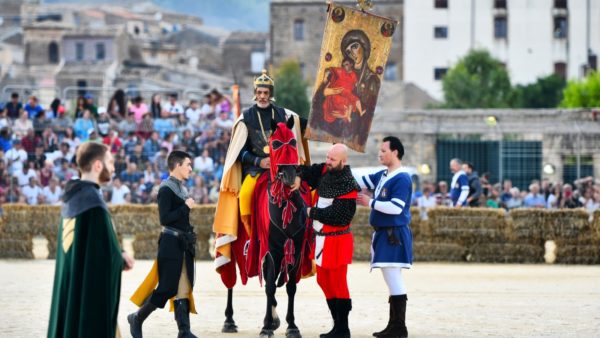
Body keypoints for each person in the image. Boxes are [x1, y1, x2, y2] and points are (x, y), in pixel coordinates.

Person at [212, 69, 308, 289]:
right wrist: (258, 162)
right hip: (257, 171)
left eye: (266, 92)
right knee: (245, 195)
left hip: (282, 171)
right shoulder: (245, 118)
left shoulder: (284, 115)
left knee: (303, 193)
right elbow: (239, 153)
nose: (262, 95)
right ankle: (250, 234)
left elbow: (305, 126)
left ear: (271, 93)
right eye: (259, 92)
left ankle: (305, 233)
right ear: (255, 93)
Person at [47, 142, 134, 338]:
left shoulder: (73, 196)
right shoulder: (94, 204)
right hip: (87, 297)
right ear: (97, 165)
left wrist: (117, 253)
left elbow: (91, 247)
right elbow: (101, 256)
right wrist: (120, 258)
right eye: (110, 162)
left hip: (71, 289)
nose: (113, 167)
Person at [129, 150, 198, 338]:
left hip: (183, 244)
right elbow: (164, 218)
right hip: (170, 243)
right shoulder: (166, 189)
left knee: (184, 286)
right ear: (177, 166)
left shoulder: (181, 188)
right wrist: (185, 207)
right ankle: (137, 317)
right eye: (188, 165)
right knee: (167, 288)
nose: (191, 169)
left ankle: (184, 331)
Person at [292, 143, 359, 338]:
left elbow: (341, 216)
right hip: (322, 239)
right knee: (322, 280)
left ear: (343, 161)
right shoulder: (324, 170)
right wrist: (298, 176)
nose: (328, 162)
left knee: (338, 283)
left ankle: (343, 329)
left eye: (333, 159)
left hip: (337, 241)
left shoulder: (349, 184)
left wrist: (312, 212)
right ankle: (336, 325)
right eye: (328, 157)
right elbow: (305, 169)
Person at [355, 136, 412, 338]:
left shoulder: (402, 178)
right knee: (391, 279)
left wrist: (369, 202)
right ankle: (394, 325)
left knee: (393, 279)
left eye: (383, 150)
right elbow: (358, 180)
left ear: (395, 152)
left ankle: (399, 327)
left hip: (393, 234)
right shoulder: (384, 174)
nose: (379, 153)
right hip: (385, 234)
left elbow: (396, 208)